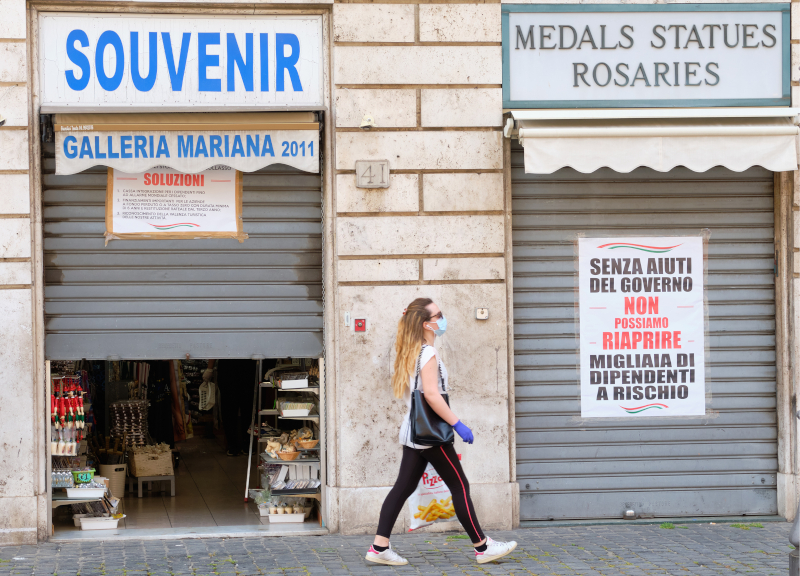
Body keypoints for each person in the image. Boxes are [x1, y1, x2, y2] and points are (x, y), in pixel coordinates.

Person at [366, 298, 517, 566]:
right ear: (426, 323)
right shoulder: (427, 354)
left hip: (414, 433)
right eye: (439, 315)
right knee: (460, 485)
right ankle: (482, 546)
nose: (443, 318)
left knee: (403, 487)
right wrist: (457, 424)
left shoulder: (410, 351)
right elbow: (433, 396)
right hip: (431, 434)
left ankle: (379, 547)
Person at [204, 359, 257, 456]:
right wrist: (210, 368)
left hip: (245, 366)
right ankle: (234, 445)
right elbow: (216, 346)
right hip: (231, 366)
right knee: (231, 408)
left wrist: (210, 368)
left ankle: (246, 444)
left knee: (247, 407)